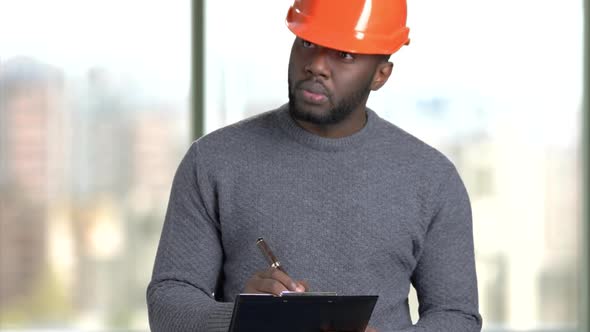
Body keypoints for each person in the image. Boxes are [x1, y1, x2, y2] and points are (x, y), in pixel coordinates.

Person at [147, 0, 483, 331]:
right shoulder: (213, 161)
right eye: (308, 43)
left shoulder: (432, 178)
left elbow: (457, 316)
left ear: (381, 74)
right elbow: (169, 302)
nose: (317, 65)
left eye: (345, 54)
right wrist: (244, 321)